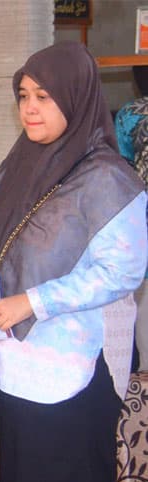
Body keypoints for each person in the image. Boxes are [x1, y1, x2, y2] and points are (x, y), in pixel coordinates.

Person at [0, 41, 147, 482]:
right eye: (23, 95)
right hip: (14, 363)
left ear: (76, 97)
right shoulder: (19, 165)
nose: (30, 108)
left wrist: (33, 302)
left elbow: (122, 271)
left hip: (75, 367)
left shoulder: (108, 178)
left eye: (44, 96)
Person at [115, 65, 148, 371]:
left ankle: (144, 375)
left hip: (141, 214)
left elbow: (121, 168)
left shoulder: (130, 114)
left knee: (143, 300)